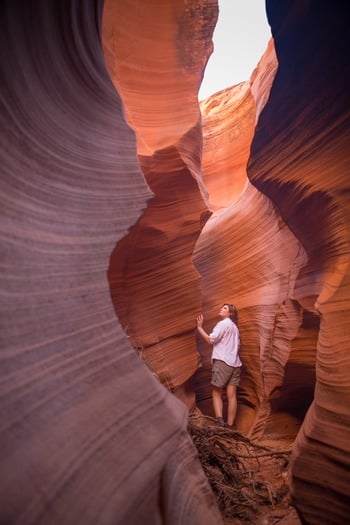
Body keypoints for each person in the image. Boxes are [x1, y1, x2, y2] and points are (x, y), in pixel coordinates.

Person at [196, 304, 242, 428]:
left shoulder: (223, 324)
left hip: (223, 362)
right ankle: (230, 426)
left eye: (225, 308)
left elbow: (210, 340)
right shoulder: (235, 328)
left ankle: (220, 422)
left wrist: (199, 328)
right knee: (232, 396)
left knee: (216, 392)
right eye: (222, 307)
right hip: (235, 364)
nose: (221, 309)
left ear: (230, 314)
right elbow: (237, 346)